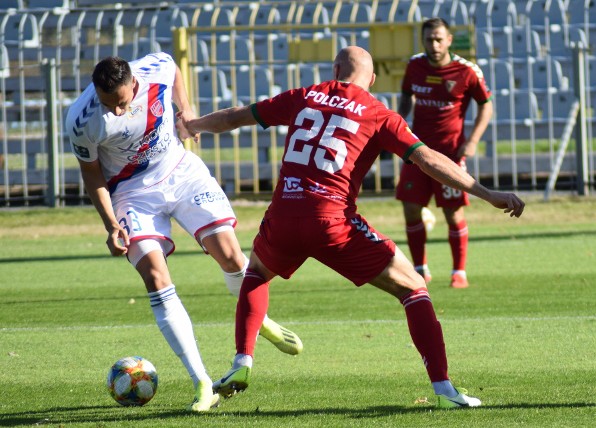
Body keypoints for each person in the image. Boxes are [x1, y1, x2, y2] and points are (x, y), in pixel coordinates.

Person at [180, 46, 524, 409]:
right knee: (413, 287)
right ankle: (444, 391)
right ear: (372, 80)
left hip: (283, 215)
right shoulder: (378, 113)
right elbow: (427, 159)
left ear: (335, 69)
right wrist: (487, 193)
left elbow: (236, 117)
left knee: (256, 274)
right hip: (332, 220)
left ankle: (241, 361)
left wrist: (193, 125)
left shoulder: (303, 96)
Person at [65, 53, 303, 412]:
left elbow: (173, 65)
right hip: (132, 195)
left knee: (230, 254)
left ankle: (258, 318)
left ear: (134, 83)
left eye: (121, 102)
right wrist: (111, 224)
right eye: (106, 103)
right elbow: (92, 174)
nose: (114, 111)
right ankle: (202, 382)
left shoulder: (154, 68)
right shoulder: (82, 121)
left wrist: (185, 112)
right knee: (156, 278)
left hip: (181, 171)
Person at [395, 18, 494, 289]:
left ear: (449, 40)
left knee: (453, 213)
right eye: (429, 39)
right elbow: (405, 97)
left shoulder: (466, 71)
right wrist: (399, 124)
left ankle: (458, 271)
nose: (434, 44)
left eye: (439, 39)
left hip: (450, 154)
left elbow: (486, 106)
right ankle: (419, 269)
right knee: (411, 209)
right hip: (416, 151)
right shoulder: (414, 66)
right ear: (423, 41)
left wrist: (472, 140)